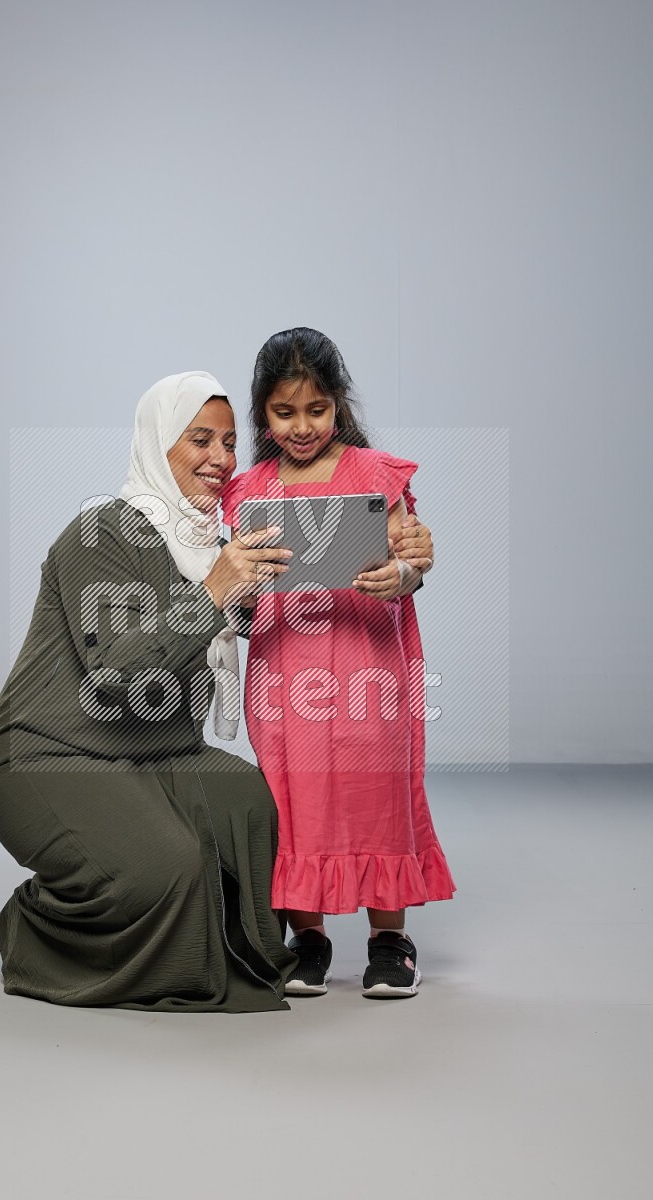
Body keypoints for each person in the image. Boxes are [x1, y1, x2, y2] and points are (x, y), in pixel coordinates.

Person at [0, 372, 303, 1013]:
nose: (221, 459)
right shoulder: (100, 534)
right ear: (158, 444)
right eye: (200, 440)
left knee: (255, 812)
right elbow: (118, 672)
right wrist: (211, 592)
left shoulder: (217, 542)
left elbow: (313, 592)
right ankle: (34, 924)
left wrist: (401, 564)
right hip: (45, 756)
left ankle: (220, 944)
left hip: (155, 750)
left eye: (231, 444)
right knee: (170, 866)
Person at [220, 329, 453, 999]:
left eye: (316, 410)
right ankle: (309, 937)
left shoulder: (375, 475)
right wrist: (237, 595)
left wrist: (402, 575)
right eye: (284, 412)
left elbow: (413, 556)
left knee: (374, 793)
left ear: (339, 405)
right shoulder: (250, 493)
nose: (301, 427)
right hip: (286, 672)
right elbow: (237, 592)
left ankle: (390, 939)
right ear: (262, 413)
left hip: (366, 669)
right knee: (292, 800)